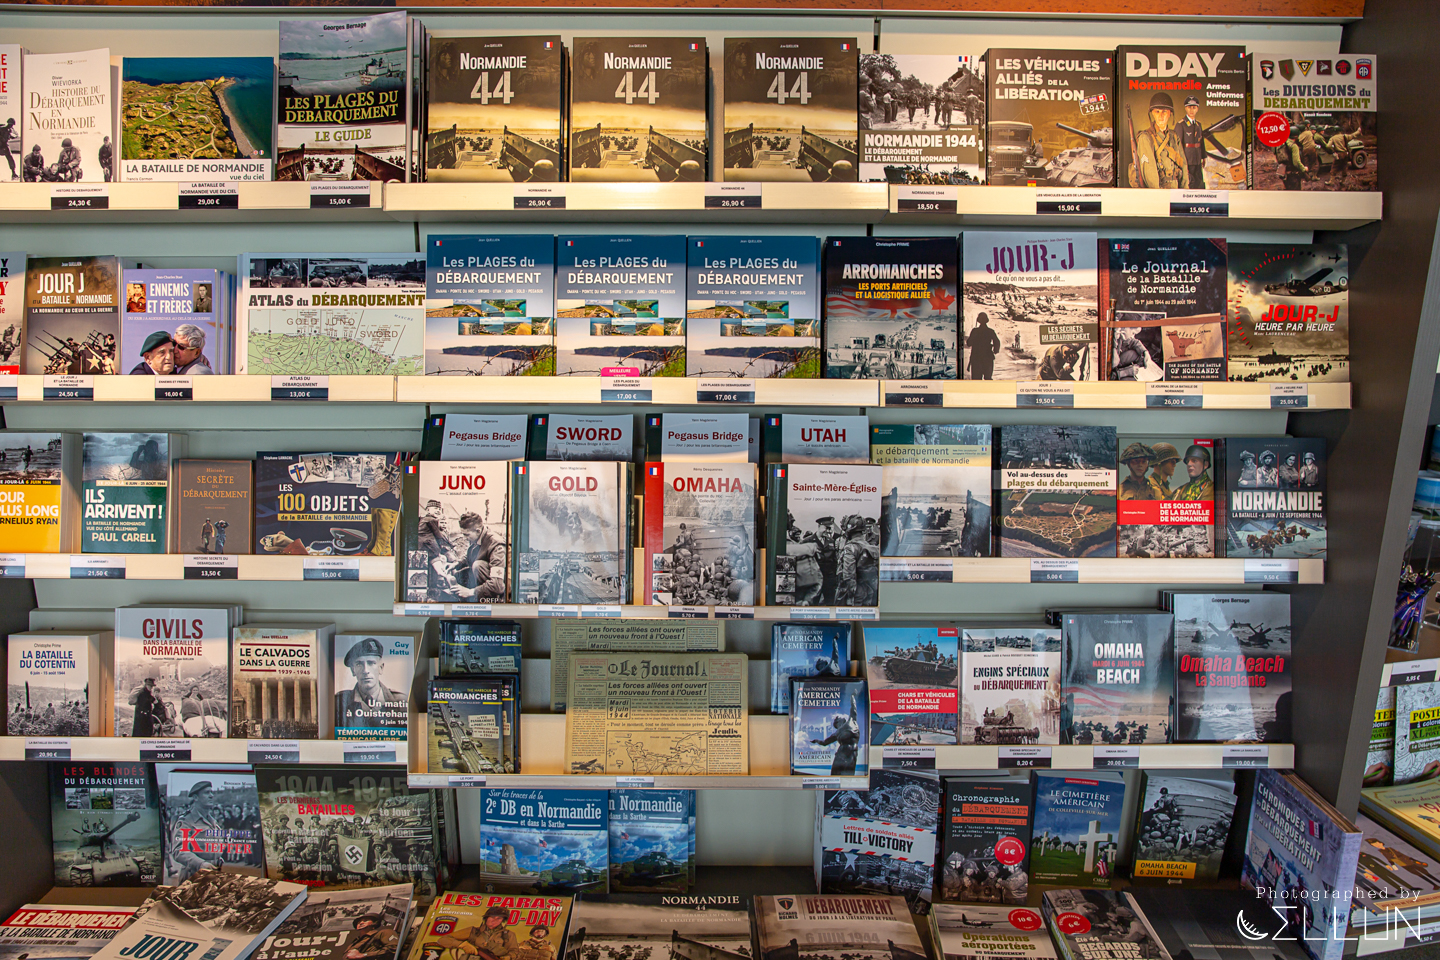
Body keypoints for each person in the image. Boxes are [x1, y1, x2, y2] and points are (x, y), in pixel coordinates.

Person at [335, 637, 406, 733]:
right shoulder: (339, 703)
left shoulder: (401, 702)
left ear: (381, 668)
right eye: (359, 664)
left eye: (371, 663)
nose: (365, 671)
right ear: (353, 670)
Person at [1132, 92, 1185, 188]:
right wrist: (1157, 194)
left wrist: (1185, 191)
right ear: (1152, 113)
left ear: (1170, 113)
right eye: (1157, 112)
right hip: (1160, 190)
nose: (1161, 116)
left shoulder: (1174, 136)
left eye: (1164, 112)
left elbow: (1183, 164)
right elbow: (1150, 173)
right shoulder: (1145, 137)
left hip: (1176, 189)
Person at [452, 511, 506, 600]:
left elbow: (497, 585)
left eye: (466, 535)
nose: (465, 538)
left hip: (500, 586)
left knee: (478, 565)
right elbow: (473, 554)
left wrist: (470, 592)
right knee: (459, 575)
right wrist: (456, 564)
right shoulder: (478, 537)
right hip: (486, 578)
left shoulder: (496, 545)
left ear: (478, 530)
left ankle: (490, 599)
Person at [436, 905, 518, 958]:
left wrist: (508, 957)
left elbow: (515, 952)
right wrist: (462, 945)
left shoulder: (508, 935)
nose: (494, 921)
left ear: (502, 920)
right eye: (492, 917)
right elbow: (443, 939)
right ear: (486, 918)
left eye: (499, 918)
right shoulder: (474, 931)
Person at [811, 696, 861, 776]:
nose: (842, 718)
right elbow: (824, 742)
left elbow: (853, 708)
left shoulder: (851, 721)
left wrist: (852, 696)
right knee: (835, 774)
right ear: (837, 723)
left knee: (848, 775)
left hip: (851, 753)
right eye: (840, 718)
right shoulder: (836, 733)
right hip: (840, 754)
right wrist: (816, 740)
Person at [1178, 95, 1205, 189]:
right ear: (1185, 108)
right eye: (1189, 107)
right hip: (1187, 160)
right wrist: (1180, 162)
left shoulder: (1198, 125)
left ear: (1197, 109)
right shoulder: (1181, 125)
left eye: (1194, 107)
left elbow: (1201, 142)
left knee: (1199, 182)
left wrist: (1203, 157)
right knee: (1189, 183)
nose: (1191, 110)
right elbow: (1178, 145)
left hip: (1197, 159)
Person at [966, 312, 1000, 380]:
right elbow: (997, 342)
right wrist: (995, 350)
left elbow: (969, 343)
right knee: (988, 379)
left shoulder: (975, 331)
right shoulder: (990, 331)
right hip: (988, 358)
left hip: (976, 358)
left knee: (976, 380)